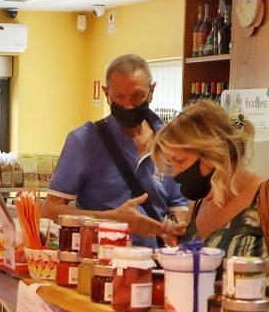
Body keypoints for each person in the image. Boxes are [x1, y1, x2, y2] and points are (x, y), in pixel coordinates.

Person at [150, 99, 269, 312]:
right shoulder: (200, 203)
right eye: (172, 163)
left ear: (213, 152)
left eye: (180, 161)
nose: (175, 173)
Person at [42, 54, 188, 249]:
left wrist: (176, 224)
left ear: (151, 91)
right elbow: (50, 211)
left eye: (137, 96)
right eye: (119, 97)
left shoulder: (171, 141)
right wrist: (112, 219)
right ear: (106, 93)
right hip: (97, 262)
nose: (128, 105)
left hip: (154, 263)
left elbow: (178, 208)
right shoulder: (83, 140)